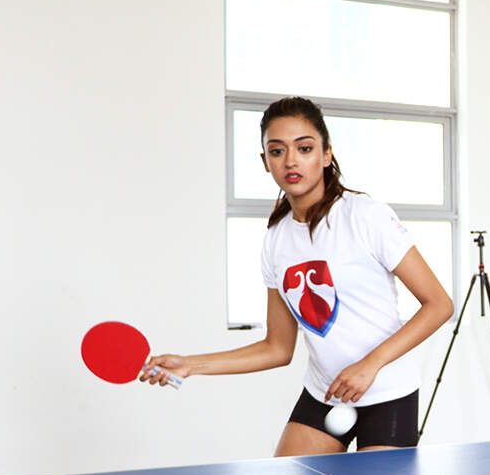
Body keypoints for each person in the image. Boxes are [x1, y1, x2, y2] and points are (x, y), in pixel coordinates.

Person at [141, 96, 453, 454]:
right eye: (277, 151)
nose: (291, 160)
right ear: (265, 162)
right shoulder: (276, 239)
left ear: (326, 155)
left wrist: (370, 364)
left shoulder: (365, 216)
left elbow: (439, 305)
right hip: (325, 391)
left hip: (386, 393)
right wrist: (190, 365)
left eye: (304, 148)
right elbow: (277, 348)